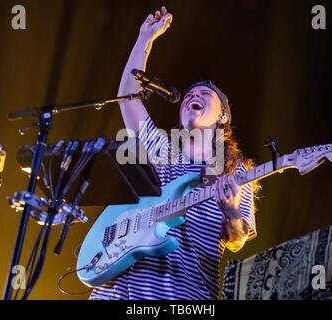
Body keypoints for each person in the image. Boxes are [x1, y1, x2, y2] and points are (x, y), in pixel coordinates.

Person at [90, 6, 258, 300]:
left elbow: (236, 240)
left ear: (223, 117)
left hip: (182, 296)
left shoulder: (235, 173)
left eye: (205, 95)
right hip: (116, 292)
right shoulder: (162, 150)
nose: (194, 96)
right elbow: (127, 99)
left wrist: (231, 212)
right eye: (190, 95)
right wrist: (145, 38)